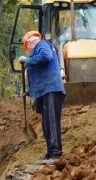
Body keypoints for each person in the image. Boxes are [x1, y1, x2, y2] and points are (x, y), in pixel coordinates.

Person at [18, 30, 65, 160]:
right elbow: (38, 77)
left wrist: (28, 60)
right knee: (46, 124)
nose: (28, 51)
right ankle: (50, 151)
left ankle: (56, 151)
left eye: (27, 47)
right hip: (45, 90)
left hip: (51, 89)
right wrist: (28, 92)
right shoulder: (36, 54)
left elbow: (46, 57)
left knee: (51, 120)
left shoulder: (43, 45)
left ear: (30, 42)